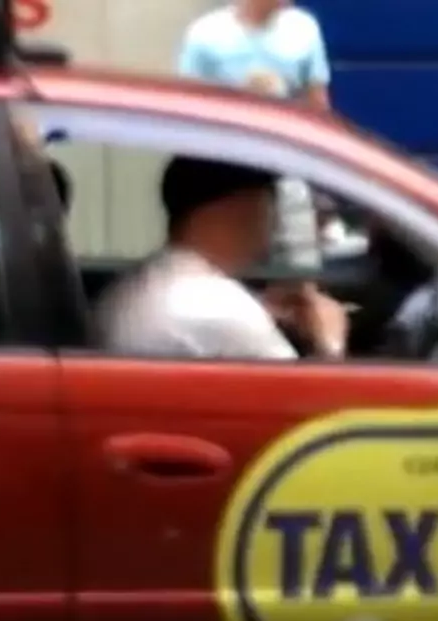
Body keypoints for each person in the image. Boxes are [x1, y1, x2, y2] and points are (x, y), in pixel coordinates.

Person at [95, 155, 348, 360]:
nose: (274, 219)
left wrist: (262, 311)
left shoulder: (139, 282)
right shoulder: (221, 308)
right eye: (268, 202)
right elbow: (312, 404)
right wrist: (330, 343)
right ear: (239, 211)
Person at [177, 0, 332, 110]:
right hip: (221, 147)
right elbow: (187, 108)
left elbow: (319, 106)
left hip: (286, 146)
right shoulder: (204, 33)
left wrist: (282, 98)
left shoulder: (304, 28)